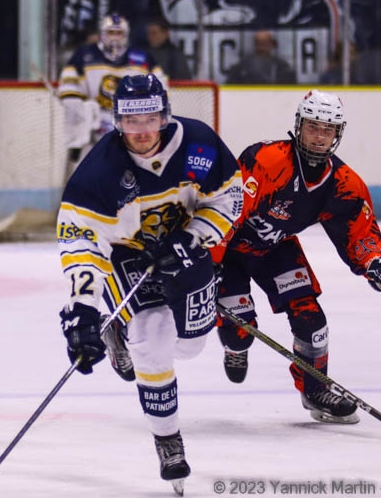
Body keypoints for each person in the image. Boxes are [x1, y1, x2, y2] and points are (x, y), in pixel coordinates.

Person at [57, 74, 242, 492]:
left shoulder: (199, 144)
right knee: (153, 335)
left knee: (193, 342)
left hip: (184, 248)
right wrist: (83, 307)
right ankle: (168, 439)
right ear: (116, 122)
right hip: (129, 256)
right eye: (130, 121)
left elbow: (230, 197)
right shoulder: (98, 173)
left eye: (150, 119)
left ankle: (120, 335)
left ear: (165, 116)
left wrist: (191, 237)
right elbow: (81, 241)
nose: (141, 132)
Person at [211, 89, 381, 425]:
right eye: (313, 126)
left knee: (312, 321)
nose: (319, 136)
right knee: (239, 330)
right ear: (299, 125)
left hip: (276, 249)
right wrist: (208, 262)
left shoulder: (344, 183)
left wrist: (379, 265)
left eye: (328, 129)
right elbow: (225, 213)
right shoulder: (266, 160)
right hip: (229, 251)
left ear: (338, 133)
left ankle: (315, 390)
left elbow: (359, 234)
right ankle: (235, 347)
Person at [58, 13, 166, 171]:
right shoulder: (84, 56)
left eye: (119, 33)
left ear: (126, 35)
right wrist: (86, 115)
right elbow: (68, 90)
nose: (115, 37)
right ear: (102, 33)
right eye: (111, 32)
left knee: (132, 172)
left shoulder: (142, 58)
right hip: (92, 127)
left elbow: (160, 90)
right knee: (84, 172)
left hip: (130, 124)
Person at [225, 30, 296, 84]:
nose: (261, 48)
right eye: (258, 44)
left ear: (272, 45)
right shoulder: (242, 68)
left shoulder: (283, 67)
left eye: (265, 44)